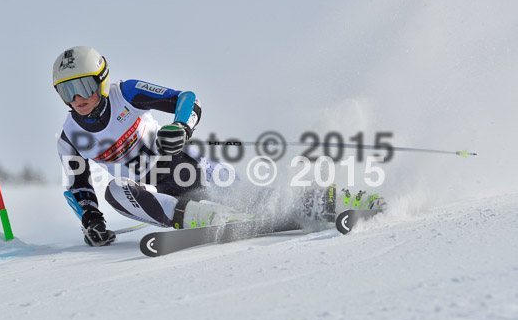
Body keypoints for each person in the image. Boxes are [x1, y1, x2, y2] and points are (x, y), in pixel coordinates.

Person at [53, 46, 385, 247]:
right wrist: (91, 220)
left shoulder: (126, 93)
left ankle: (338, 200)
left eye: (83, 86)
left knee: (262, 198)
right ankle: (200, 217)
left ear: (101, 80)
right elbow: (78, 187)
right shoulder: (70, 137)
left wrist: (181, 127)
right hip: (151, 195)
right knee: (115, 190)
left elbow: (187, 100)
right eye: (67, 92)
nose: (78, 99)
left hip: (184, 166)